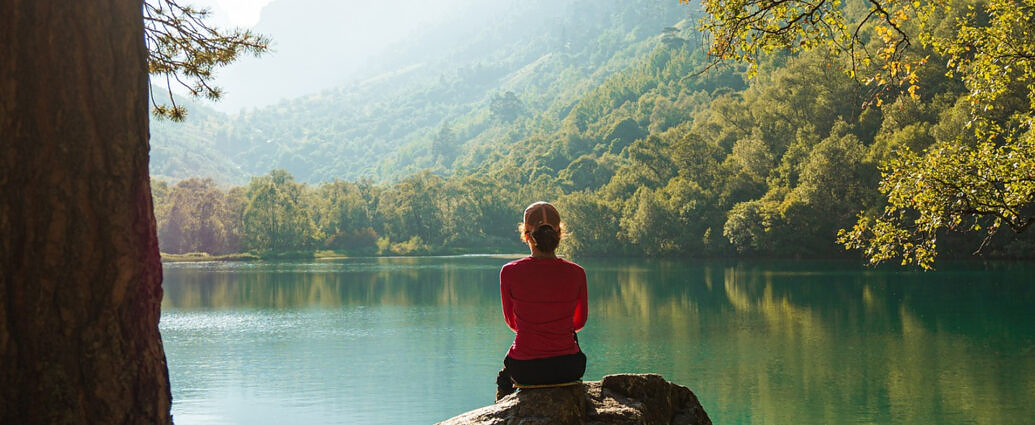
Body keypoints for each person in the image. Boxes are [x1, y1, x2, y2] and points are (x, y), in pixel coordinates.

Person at [495, 201, 588, 401]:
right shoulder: (577, 273)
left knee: (504, 377)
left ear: (526, 235)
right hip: (569, 368)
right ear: (559, 234)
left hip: (525, 370)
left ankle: (501, 411)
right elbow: (578, 323)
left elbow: (512, 324)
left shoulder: (509, 272)